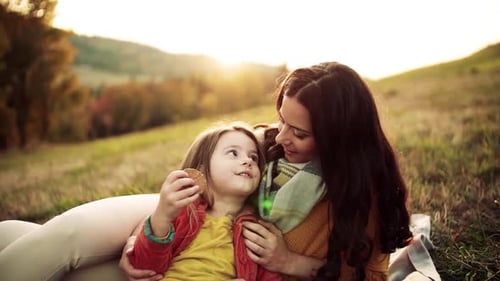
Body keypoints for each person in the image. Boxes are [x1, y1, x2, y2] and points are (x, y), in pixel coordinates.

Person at [0, 62, 413, 281]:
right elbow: (223, 152)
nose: (279, 136)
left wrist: (292, 262)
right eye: (281, 120)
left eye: (299, 132)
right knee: (64, 237)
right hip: (192, 213)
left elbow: (370, 276)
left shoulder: (365, 196)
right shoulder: (270, 144)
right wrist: (146, 235)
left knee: (16, 236)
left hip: (220, 262)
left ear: (338, 138)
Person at [127, 121, 281, 280]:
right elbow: (144, 268)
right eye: (233, 153)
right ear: (200, 169)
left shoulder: (257, 231)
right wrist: (163, 216)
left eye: (254, 157)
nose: (248, 161)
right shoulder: (185, 213)